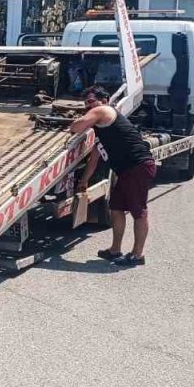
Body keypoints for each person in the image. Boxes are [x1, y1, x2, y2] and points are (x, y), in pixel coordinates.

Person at [70, 85, 157, 265]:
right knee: (116, 209)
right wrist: (84, 181)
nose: (88, 107)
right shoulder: (102, 131)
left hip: (137, 167)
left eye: (91, 102)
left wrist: (77, 122)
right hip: (126, 172)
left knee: (138, 212)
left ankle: (137, 255)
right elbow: (94, 159)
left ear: (104, 101)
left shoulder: (104, 110)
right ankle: (115, 250)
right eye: (86, 104)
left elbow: (76, 126)